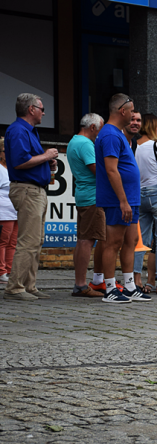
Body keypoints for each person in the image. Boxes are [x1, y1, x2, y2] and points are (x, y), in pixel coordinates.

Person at [94, 94, 150, 303]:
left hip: (130, 199)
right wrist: (123, 200)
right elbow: (111, 170)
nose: (134, 115)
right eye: (132, 110)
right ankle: (109, 288)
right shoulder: (109, 134)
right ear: (122, 111)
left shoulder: (118, 134)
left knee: (130, 241)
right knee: (113, 242)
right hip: (118, 200)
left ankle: (129, 286)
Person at [3, 93, 59, 301]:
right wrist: (46, 156)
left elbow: (28, 159)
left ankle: (29, 285)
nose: (44, 112)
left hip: (35, 189)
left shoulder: (29, 131)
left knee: (36, 239)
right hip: (27, 190)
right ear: (31, 110)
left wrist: (46, 162)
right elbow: (19, 161)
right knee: (29, 239)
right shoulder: (18, 130)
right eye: (41, 108)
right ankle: (15, 287)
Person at [130, 113, 157, 294]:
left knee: (141, 240)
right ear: (151, 127)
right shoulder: (156, 146)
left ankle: (136, 279)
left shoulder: (134, 146)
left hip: (139, 193)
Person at [67, 113, 105, 297]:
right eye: (100, 127)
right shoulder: (85, 144)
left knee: (83, 239)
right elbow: (97, 169)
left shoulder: (74, 141)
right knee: (87, 240)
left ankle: (80, 283)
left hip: (84, 195)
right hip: (92, 197)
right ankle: (81, 284)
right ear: (92, 127)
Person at [0, 138, 18, 285]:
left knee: (13, 243)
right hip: (3, 211)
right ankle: (1, 271)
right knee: (3, 242)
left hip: (16, 210)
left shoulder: (12, 167)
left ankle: (10, 270)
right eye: (6, 151)